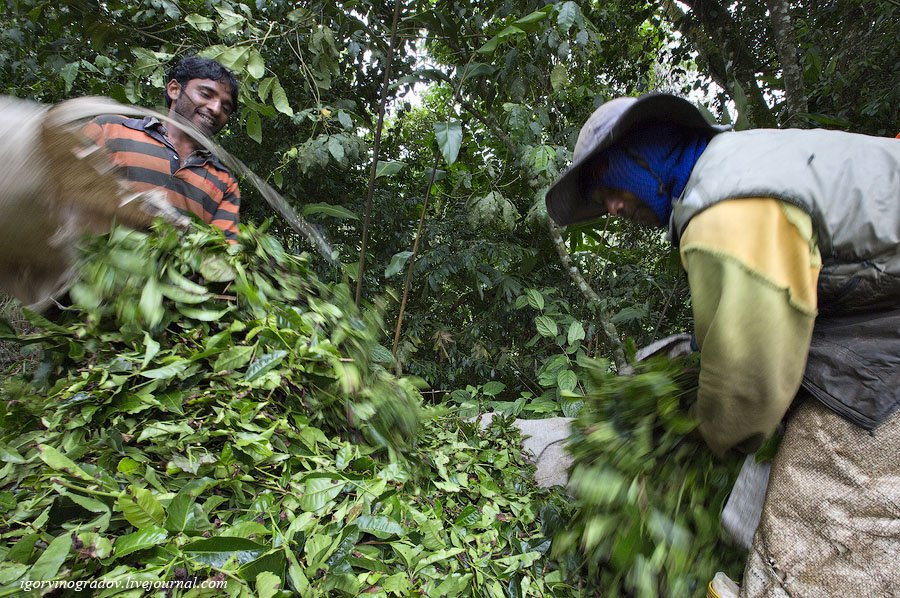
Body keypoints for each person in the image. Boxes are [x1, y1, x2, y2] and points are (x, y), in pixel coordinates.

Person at [545, 92, 900, 595]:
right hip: (878, 303)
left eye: (611, 186)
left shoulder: (725, 209)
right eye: (604, 204)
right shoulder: (741, 162)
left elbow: (748, 379)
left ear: (648, 150)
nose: (614, 207)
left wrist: (711, 440)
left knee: (814, 525)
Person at [83, 56, 241, 242]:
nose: (215, 109)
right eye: (206, 94)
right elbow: (61, 185)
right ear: (174, 89)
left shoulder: (224, 181)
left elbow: (223, 250)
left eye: (225, 107)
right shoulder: (110, 129)